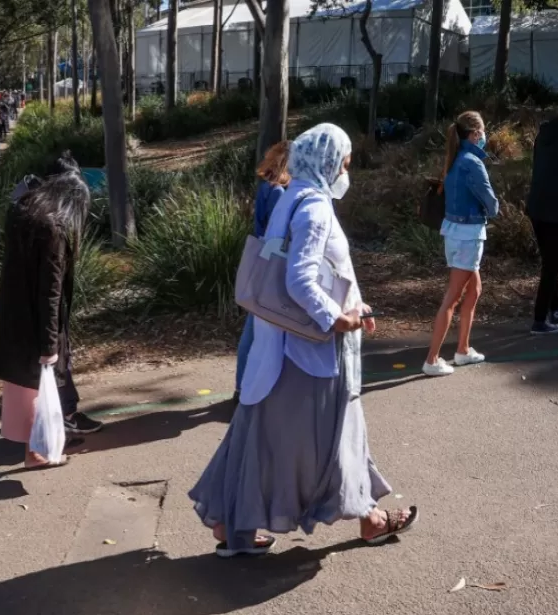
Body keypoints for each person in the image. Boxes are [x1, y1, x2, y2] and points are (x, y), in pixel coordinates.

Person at [189, 124, 417, 557]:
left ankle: (228, 524)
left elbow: (316, 273)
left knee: (262, 435)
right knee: (335, 433)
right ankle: (368, 518)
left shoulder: (291, 196)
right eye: (345, 164)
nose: (346, 173)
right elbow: (299, 280)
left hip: (281, 346)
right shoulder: (314, 206)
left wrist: (356, 308)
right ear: (328, 162)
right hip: (307, 351)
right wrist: (336, 320)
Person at [0, 156, 104, 469]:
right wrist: (50, 345)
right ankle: (36, 453)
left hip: (14, 317)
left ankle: (36, 450)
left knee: (25, 389)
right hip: (35, 324)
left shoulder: (24, 213)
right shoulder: (54, 230)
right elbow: (50, 293)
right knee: (36, 391)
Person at [423, 111, 499, 377]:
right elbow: (491, 202)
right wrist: (494, 209)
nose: (485, 137)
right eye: (483, 132)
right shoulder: (473, 163)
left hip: (456, 232)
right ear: (475, 134)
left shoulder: (455, 159)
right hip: (468, 234)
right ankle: (432, 358)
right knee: (453, 298)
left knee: (474, 289)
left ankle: (464, 349)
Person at [234, 141, 291, 402]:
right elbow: (277, 234)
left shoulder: (265, 188)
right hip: (273, 262)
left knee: (253, 325)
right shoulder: (280, 192)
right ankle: (249, 387)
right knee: (260, 327)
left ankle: (241, 385)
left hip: (260, 259)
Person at [526, 104, 558, 334]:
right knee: (551, 266)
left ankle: (556, 310)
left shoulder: (546, 132)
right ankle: (540, 320)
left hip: (538, 206)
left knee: (551, 261)